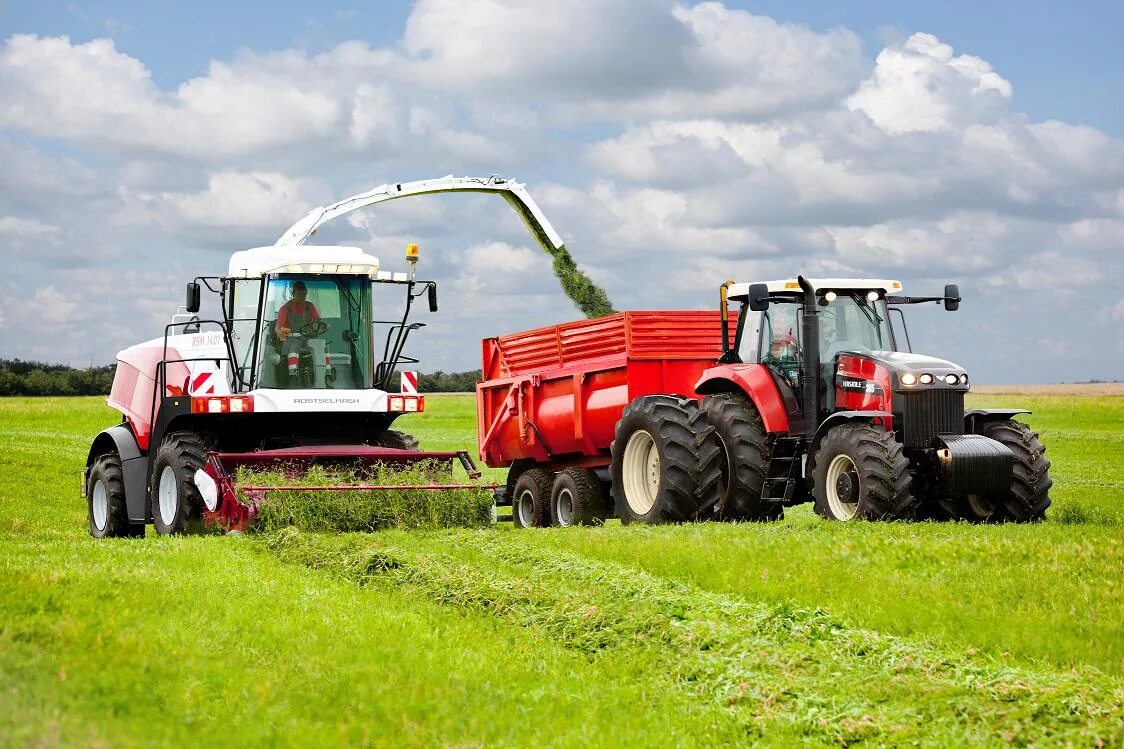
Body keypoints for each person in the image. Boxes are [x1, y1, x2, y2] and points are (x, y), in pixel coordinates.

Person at [276, 281, 327, 384]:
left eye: (304, 294)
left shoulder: (310, 306)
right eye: (299, 294)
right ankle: (293, 375)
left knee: (322, 345)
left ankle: (327, 374)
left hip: (307, 338)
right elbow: (278, 328)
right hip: (290, 339)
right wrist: (279, 333)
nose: (302, 297)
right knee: (294, 347)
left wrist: (324, 325)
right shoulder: (285, 309)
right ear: (293, 293)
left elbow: (318, 321)